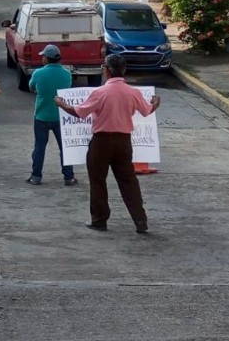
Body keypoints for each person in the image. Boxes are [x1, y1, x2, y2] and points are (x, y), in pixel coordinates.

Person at [55, 54, 161, 234]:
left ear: (107, 70)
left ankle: (99, 219)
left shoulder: (100, 93)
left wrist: (61, 104)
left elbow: (78, 113)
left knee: (98, 180)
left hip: (102, 141)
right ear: (124, 70)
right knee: (129, 180)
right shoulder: (133, 92)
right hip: (123, 142)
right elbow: (147, 110)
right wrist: (156, 102)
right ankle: (140, 219)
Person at [27, 45, 77, 186]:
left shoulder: (38, 73)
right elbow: (68, 88)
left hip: (42, 116)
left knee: (39, 147)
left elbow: (32, 87)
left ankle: (36, 176)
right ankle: (69, 177)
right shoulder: (67, 73)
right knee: (64, 148)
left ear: (46, 58)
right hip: (60, 116)